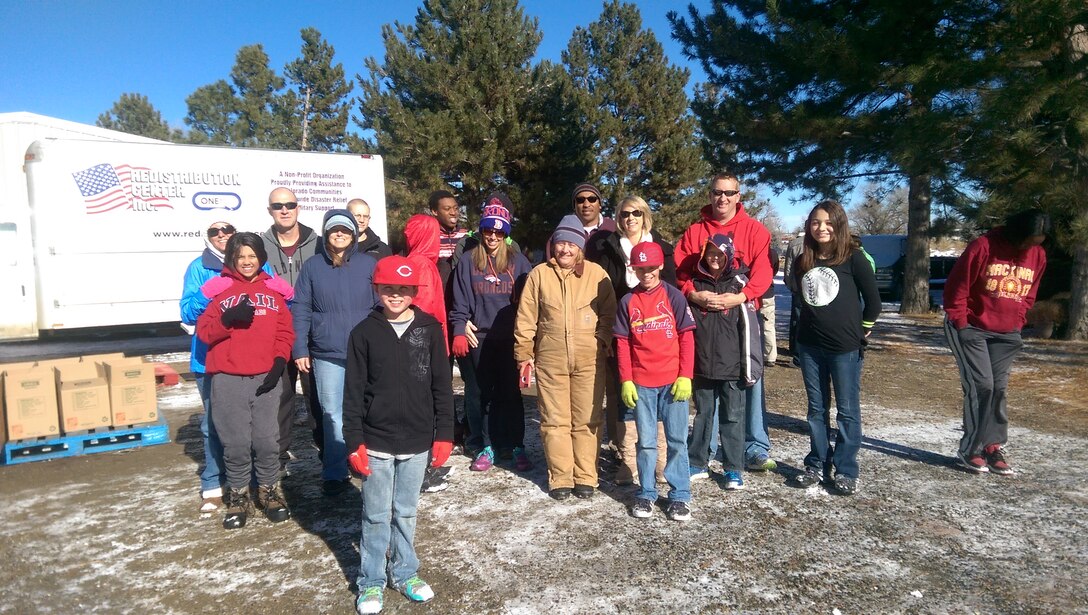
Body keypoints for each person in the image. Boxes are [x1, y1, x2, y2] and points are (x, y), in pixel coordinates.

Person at [342, 255, 454, 615]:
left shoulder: (430, 328)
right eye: (388, 288)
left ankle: (404, 572)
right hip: (376, 440)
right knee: (375, 514)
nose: (395, 295)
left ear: (413, 292)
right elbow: (353, 392)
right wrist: (353, 439)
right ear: (377, 289)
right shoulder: (363, 333)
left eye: (403, 289)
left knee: (405, 512)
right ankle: (371, 581)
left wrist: (445, 434)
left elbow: (442, 386)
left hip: (418, 439)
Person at [180, 221, 286, 514]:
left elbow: (284, 331)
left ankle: (268, 491)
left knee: (266, 440)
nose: (247, 261)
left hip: (266, 375)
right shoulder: (218, 289)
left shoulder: (273, 290)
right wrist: (226, 320)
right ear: (232, 259)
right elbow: (202, 329)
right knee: (235, 441)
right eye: (241, 257)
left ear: (261, 259)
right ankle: (237, 496)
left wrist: (279, 362)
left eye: (253, 256)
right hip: (226, 377)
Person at [674, 173, 777, 472]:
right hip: (705, 318)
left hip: (741, 317)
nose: (723, 198)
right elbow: (680, 271)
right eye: (718, 192)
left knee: (748, 382)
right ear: (709, 195)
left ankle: (754, 447)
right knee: (707, 387)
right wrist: (693, 294)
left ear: (738, 196)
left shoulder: (755, 231)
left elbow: (763, 271)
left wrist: (742, 296)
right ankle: (706, 449)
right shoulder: (695, 232)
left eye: (730, 193)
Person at [514, 221, 616, 500]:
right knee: (554, 420)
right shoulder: (539, 275)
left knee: (588, 419)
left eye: (571, 244)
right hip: (550, 359)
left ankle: (585, 476)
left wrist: (603, 339)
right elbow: (526, 319)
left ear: (580, 247)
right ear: (553, 244)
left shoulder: (597, 274)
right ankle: (560, 477)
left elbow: (609, 313)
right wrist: (524, 354)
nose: (565, 249)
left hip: (589, 359)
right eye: (561, 243)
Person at [943, 209, 1049, 476]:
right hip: (971, 327)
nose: (1031, 246)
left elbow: (1030, 293)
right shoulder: (983, 247)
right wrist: (962, 324)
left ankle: (993, 446)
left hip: (1007, 332)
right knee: (982, 386)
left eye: (1038, 241)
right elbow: (957, 287)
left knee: (999, 388)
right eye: (1028, 240)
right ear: (1017, 232)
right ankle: (971, 449)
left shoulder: (1038, 255)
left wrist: (1019, 320)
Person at [789, 200, 880, 495]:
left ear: (839, 224)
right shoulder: (803, 260)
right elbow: (802, 300)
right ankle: (816, 463)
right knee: (816, 410)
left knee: (847, 410)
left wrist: (861, 332)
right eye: (816, 222)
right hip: (810, 347)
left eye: (828, 222)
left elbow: (874, 303)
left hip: (844, 349)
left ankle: (846, 469)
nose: (821, 228)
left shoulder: (854, 258)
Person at [586, 195, 674, 485]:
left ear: (645, 215)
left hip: (655, 335)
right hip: (620, 331)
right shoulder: (606, 248)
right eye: (624, 214)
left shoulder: (663, 249)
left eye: (636, 213)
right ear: (618, 217)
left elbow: (672, 296)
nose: (630, 218)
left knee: (657, 400)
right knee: (623, 396)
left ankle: (659, 462)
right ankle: (628, 461)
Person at [291, 210, 379, 497]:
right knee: (331, 414)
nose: (339, 233)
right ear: (326, 234)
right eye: (333, 230)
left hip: (365, 350)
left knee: (367, 410)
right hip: (327, 352)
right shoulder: (313, 267)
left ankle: (366, 461)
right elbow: (301, 308)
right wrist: (301, 348)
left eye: (344, 229)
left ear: (353, 234)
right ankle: (334, 471)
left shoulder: (368, 264)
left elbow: (382, 305)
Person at [449, 194, 533, 472]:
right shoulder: (468, 261)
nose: (493, 236)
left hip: (510, 338)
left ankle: (515, 444)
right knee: (483, 395)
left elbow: (530, 302)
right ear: (481, 230)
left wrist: (529, 337)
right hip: (481, 338)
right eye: (488, 229)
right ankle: (487, 445)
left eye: (499, 231)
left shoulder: (519, 262)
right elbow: (459, 299)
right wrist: (460, 327)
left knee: (510, 394)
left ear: (505, 233)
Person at [614, 242, 697, 521]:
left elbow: (687, 337)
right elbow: (623, 344)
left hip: (673, 382)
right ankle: (647, 492)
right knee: (647, 441)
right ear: (633, 269)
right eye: (640, 268)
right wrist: (626, 379)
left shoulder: (674, 297)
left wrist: (686, 375)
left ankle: (680, 495)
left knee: (676, 440)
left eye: (650, 267)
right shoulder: (628, 302)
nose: (646, 273)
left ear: (660, 266)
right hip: (642, 384)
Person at [686, 234, 764, 489]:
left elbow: (750, 329)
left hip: (732, 365)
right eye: (710, 253)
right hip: (702, 364)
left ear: (729, 254)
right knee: (703, 414)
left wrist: (749, 364)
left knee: (732, 417)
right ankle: (697, 461)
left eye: (720, 253)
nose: (715, 258)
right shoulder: (695, 286)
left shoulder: (739, 284)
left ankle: (733, 468)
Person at [260, 187, 321, 477]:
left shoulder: (318, 243)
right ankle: (278, 455)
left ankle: (327, 453)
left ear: (298, 208)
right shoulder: (259, 247)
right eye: (278, 206)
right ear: (269, 210)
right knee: (279, 398)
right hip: (275, 335)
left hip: (312, 334)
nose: (284, 210)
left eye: (290, 204)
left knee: (317, 397)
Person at [403, 213, 453, 493]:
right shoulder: (420, 266)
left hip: (426, 348)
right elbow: (421, 313)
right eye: (434, 234)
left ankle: (422, 466)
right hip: (422, 351)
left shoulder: (422, 264)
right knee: (422, 410)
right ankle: (419, 471)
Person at [783, 229, 805, 365]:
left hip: (798, 288)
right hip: (816, 289)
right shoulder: (819, 242)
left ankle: (796, 352)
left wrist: (791, 285)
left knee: (797, 320)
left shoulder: (794, 244)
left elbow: (788, 268)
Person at [429, 189, 469, 264]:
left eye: (456, 208)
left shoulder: (467, 236)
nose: (453, 213)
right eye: (447, 209)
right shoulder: (430, 238)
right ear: (435, 211)